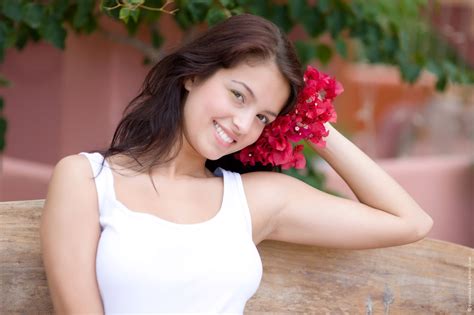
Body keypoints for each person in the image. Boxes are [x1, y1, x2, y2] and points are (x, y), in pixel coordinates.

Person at [39, 13, 434, 314]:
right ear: (193, 76)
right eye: (238, 96)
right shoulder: (88, 179)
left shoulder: (253, 200)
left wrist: (313, 121)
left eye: (264, 116)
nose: (244, 125)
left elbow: (410, 222)